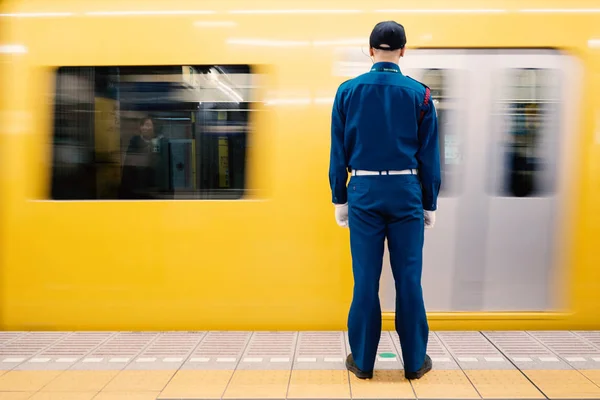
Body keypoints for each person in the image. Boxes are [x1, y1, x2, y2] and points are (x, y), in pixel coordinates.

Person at [328, 21, 441, 380]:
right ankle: (414, 363)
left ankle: (362, 362)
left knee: (365, 280)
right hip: (406, 192)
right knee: (409, 279)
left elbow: (338, 151)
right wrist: (429, 202)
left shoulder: (347, 92)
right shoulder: (420, 95)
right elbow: (429, 157)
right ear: (403, 51)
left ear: (371, 49)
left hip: (362, 192)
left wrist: (339, 197)